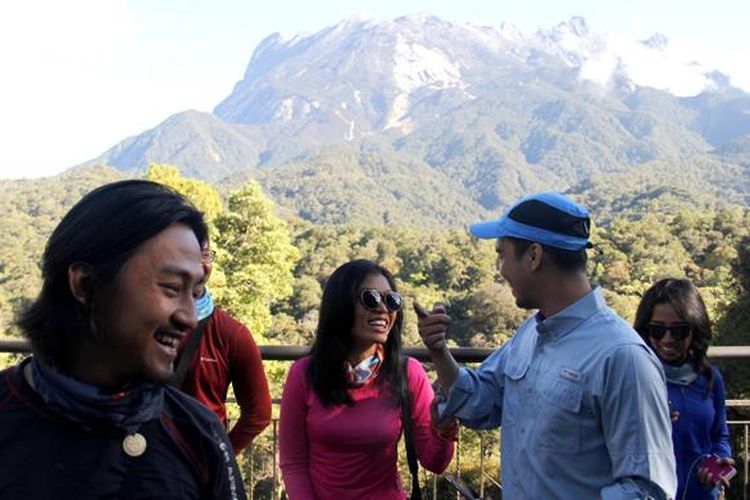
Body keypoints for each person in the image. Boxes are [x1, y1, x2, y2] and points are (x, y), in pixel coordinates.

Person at [417, 192, 677, 499]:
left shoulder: (623, 357)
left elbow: (647, 489)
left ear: (533, 256)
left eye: (503, 254)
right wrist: (438, 350)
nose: (501, 269)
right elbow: (480, 403)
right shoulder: (531, 334)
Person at [0, 180, 246, 499]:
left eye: (195, 292)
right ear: (86, 285)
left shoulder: (199, 432)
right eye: (172, 287)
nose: (188, 316)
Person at [279, 259, 455, 499]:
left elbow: (435, 462)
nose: (383, 309)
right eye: (370, 298)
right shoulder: (304, 374)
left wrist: (444, 429)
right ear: (341, 305)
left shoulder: (407, 373)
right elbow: (293, 462)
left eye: (391, 300)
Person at [634, 278, 734, 500]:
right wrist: (652, 423)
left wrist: (720, 459)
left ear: (695, 329)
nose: (668, 340)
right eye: (658, 330)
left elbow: (720, 436)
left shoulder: (709, 378)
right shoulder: (636, 377)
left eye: (679, 331)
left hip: (700, 494)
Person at [173, 237, 272, 454]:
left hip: (200, 463)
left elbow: (259, 412)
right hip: (145, 456)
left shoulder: (230, 333)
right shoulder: (142, 323)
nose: (200, 264)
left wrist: (220, 456)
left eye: (205, 255)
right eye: (188, 255)